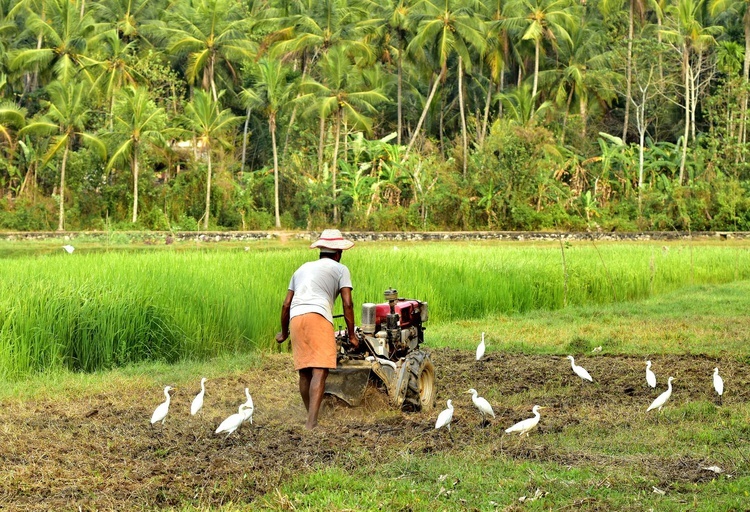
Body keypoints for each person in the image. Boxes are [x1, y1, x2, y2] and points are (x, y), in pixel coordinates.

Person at [276, 229, 358, 429]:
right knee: (319, 371)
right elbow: (348, 304)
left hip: (296, 317)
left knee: (305, 372)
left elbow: (286, 304)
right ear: (338, 253)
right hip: (318, 316)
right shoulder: (341, 269)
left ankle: (311, 416)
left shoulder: (301, 268)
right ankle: (312, 423)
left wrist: (284, 332)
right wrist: (352, 335)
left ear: (321, 250)